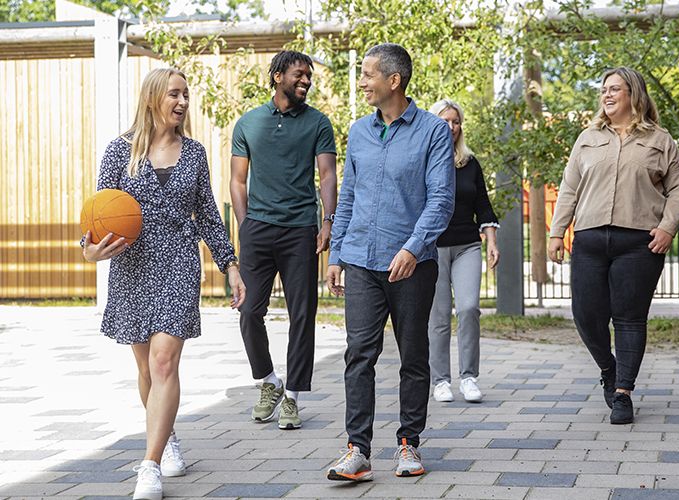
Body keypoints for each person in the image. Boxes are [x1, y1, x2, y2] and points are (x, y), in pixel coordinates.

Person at [81, 67, 245, 500]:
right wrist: (89, 249)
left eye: (186, 95)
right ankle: (167, 436)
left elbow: (208, 213)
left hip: (177, 264)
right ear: (154, 97)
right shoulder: (120, 152)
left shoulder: (193, 153)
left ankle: (148, 464)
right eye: (175, 94)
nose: (182, 102)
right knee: (144, 368)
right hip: (132, 268)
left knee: (163, 363)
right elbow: (99, 214)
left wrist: (230, 264)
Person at [325, 43, 455, 482]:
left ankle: (408, 444)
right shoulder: (358, 131)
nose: (362, 82)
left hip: (412, 265)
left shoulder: (434, 131)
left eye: (367, 75)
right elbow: (348, 197)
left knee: (413, 353)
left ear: (393, 80)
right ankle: (356, 449)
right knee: (359, 353)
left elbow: (441, 199)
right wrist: (337, 253)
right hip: (361, 259)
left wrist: (413, 248)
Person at [548, 67, 679, 425]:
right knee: (585, 314)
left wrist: (668, 228)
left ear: (633, 94)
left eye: (615, 89)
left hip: (639, 243)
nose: (607, 95)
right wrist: (556, 232)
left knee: (629, 318)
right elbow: (569, 188)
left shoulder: (660, 140)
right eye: (604, 90)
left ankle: (623, 391)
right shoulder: (588, 138)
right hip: (591, 239)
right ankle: (609, 368)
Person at [230, 50, 337, 430]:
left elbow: (326, 176)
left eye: (309, 76)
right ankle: (269, 381)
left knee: (302, 315)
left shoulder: (319, 123)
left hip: (300, 231)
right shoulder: (249, 124)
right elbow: (238, 181)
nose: (306, 81)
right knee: (248, 312)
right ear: (277, 76)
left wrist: (327, 221)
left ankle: (292, 396)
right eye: (299, 74)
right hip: (258, 228)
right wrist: (245, 226)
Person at [427, 99, 499, 404]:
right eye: (445, 121)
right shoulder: (423, 160)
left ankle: (469, 377)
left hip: (467, 245)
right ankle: (441, 380)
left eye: (456, 121)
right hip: (432, 248)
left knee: (469, 308)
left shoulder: (470, 163)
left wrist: (492, 240)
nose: (451, 127)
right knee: (439, 316)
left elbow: (483, 204)